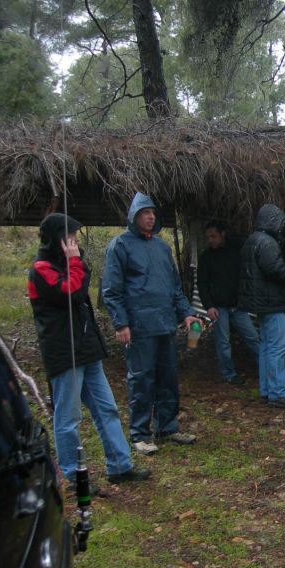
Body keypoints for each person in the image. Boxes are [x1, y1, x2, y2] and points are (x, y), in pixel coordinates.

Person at [28, 213, 150, 490]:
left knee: (107, 409)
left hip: (86, 350)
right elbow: (70, 294)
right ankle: (74, 476)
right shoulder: (42, 269)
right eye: (69, 236)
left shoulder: (71, 264)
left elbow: (81, 289)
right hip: (64, 353)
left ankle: (120, 466)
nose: (73, 241)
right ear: (56, 238)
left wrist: (75, 261)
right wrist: (74, 261)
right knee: (69, 418)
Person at [102, 192, 201, 455]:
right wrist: (121, 323)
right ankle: (140, 433)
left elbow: (175, 288)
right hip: (139, 326)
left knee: (168, 378)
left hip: (165, 324)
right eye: (145, 212)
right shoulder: (120, 246)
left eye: (153, 213)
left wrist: (187, 313)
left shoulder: (162, 248)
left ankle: (167, 427)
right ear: (134, 216)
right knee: (141, 380)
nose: (150, 216)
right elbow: (111, 290)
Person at [238, 203, 285, 408]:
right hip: (272, 302)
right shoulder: (267, 243)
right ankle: (277, 393)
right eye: (280, 222)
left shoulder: (252, 240)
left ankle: (266, 390)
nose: (282, 227)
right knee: (277, 347)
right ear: (273, 221)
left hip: (261, 303)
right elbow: (275, 270)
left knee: (266, 346)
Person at [197, 221, 260, 385]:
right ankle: (229, 374)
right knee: (223, 342)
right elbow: (202, 284)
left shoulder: (235, 252)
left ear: (222, 234)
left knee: (253, 337)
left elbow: (245, 276)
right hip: (218, 307)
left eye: (214, 236)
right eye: (208, 237)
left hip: (237, 305)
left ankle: (265, 367)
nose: (211, 240)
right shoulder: (205, 258)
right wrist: (209, 306)